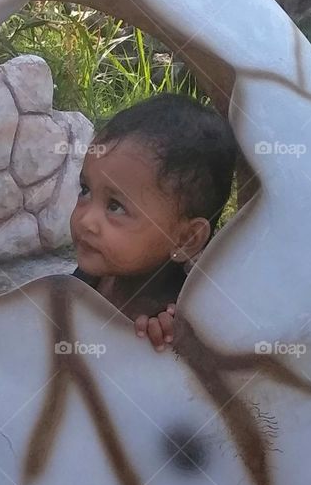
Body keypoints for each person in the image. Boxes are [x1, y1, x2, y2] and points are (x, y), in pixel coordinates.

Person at [68, 92, 238, 351]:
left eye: (115, 207)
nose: (86, 220)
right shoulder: (88, 279)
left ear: (185, 239)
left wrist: (168, 342)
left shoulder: (177, 318)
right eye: (85, 190)